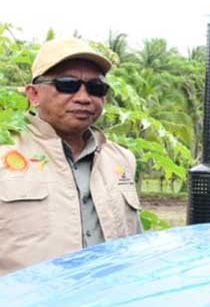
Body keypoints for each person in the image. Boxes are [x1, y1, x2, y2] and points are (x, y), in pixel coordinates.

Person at [0, 38, 140, 276]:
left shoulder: (121, 160)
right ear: (33, 94)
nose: (84, 97)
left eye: (96, 88)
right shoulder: (5, 154)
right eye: (67, 85)